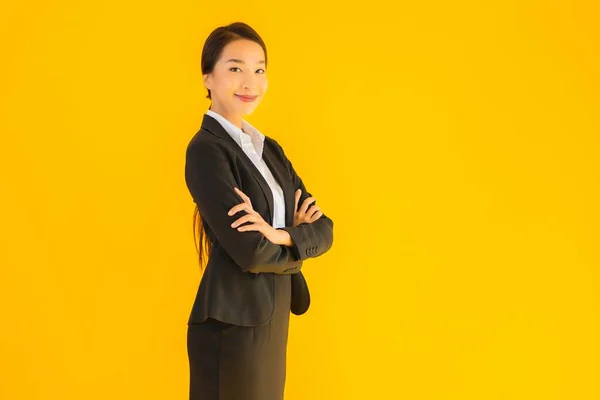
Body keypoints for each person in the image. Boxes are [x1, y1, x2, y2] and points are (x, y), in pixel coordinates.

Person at [184, 22, 334, 400]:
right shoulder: (206, 150)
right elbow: (250, 252)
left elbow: (325, 229)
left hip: (272, 315)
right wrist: (297, 249)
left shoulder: (270, 151)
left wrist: (279, 234)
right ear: (208, 78)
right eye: (235, 68)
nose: (249, 81)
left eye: (259, 69)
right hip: (233, 325)